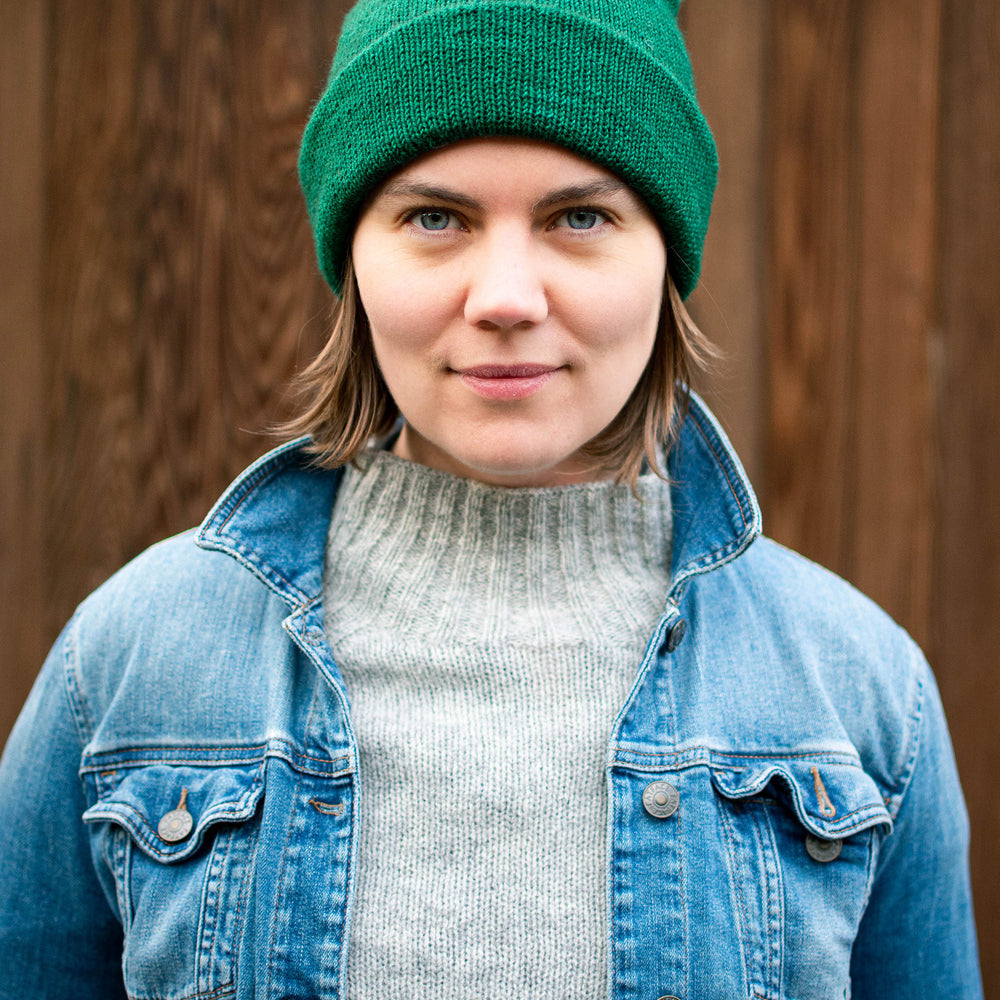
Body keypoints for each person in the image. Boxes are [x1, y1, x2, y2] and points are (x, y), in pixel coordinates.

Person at [0, 0, 982, 997]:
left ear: (666, 260)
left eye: (579, 217)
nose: (505, 296)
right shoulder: (127, 665)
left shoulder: (855, 697)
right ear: (353, 259)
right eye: (435, 217)